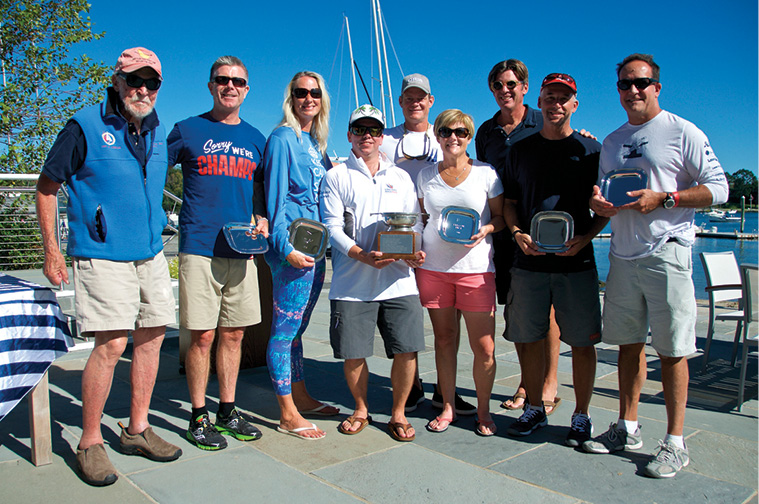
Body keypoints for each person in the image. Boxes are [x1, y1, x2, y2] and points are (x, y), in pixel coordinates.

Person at [36, 47, 181, 486]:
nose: (142, 89)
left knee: (153, 337)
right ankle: (90, 440)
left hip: (151, 254)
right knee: (112, 345)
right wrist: (52, 251)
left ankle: (137, 429)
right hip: (101, 253)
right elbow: (47, 187)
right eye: (134, 80)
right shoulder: (84, 126)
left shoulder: (159, 133)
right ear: (116, 82)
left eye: (151, 82)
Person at [583, 54, 728, 478]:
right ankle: (627, 428)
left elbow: (719, 188)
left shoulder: (682, 131)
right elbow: (608, 198)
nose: (633, 91)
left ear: (657, 86)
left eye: (641, 83)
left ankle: (676, 443)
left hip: (668, 251)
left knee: (672, 350)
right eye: (625, 84)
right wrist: (599, 206)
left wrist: (665, 199)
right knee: (628, 346)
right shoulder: (611, 142)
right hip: (623, 256)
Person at [168, 55, 267, 451]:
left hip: (241, 249)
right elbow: (152, 167)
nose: (230, 86)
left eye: (238, 82)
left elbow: (262, 188)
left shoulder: (256, 139)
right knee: (202, 336)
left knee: (235, 333)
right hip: (199, 247)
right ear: (210, 85)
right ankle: (197, 415)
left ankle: (227, 409)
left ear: (246, 89)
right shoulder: (187, 130)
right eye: (222, 80)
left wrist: (261, 216)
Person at [501, 74, 605, 445]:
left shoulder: (592, 152)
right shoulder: (520, 151)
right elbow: (509, 204)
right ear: (539, 101)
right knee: (528, 338)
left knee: (582, 341)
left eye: (564, 98)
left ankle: (581, 414)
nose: (556, 104)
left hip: (576, 262)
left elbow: (606, 208)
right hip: (528, 262)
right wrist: (516, 234)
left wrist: (588, 237)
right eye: (550, 97)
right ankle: (533, 407)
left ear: (574, 104)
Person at [320, 105, 426, 442]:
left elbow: (416, 221)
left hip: (399, 282)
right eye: (360, 129)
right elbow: (331, 227)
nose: (368, 135)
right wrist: (362, 255)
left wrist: (414, 250)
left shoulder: (401, 177)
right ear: (349, 134)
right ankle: (361, 408)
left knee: (407, 350)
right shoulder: (336, 176)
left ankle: (398, 413)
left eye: (375, 130)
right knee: (354, 353)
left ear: (382, 137)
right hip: (352, 283)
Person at [380, 73, 476, 416]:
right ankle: (413, 383)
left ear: (430, 101)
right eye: (409, 97)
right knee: (405, 318)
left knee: (446, 327)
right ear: (401, 101)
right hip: (398, 239)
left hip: (439, 246)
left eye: (421, 97)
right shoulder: (386, 138)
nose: (415, 102)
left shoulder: (446, 137)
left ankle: (443, 391)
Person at [475, 59, 562, 415]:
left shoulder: (542, 121)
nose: (505, 90)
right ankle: (527, 380)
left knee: (546, 310)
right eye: (498, 85)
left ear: (525, 88)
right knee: (517, 310)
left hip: (540, 229)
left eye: (511, 84)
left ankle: (547, 382)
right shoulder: (485, 132)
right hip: (502, 231)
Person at [416, 109, 504, 436]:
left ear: (469, 137)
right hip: (434, 269)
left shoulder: (486, 174)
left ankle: (483, 411)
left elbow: (501, 216)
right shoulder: (425, 176)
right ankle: (448, 406)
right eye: (447, 131)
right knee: (443, 340)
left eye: (461, 132)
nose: (454, 137)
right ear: (437, 135)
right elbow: (421, 218)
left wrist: (487, 229)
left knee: (484, 347)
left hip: (476, 270)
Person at [263, 71, 338, 441]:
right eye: (300, 92)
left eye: (314, 92)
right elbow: (276, 202)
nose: (308, 98)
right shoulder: (282, 138)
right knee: (283, 332)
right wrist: (284, 249)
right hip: (292, 250)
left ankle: (301, 396)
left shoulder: (315, 143)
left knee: (298, 332)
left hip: (315, 248)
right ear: (290, 97)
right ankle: (286, 412)